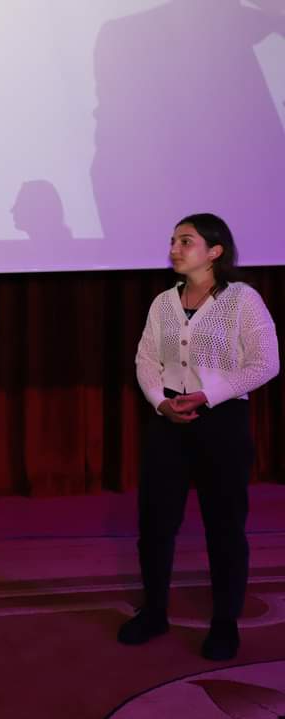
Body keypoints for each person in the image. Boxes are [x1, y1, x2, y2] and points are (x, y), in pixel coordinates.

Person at [120, 213, 279, 660]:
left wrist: (209, 395)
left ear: (215, 251)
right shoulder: (163, 302)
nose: (174, 249)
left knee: (224, 526)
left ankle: (225, 624)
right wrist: (160, 401)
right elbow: (146, 359)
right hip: (168, 421)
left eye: (186, 241)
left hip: (222, 421)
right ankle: (154, 612)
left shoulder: (242, 299)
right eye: (173, 240)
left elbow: (266, 363)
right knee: (155, 524)